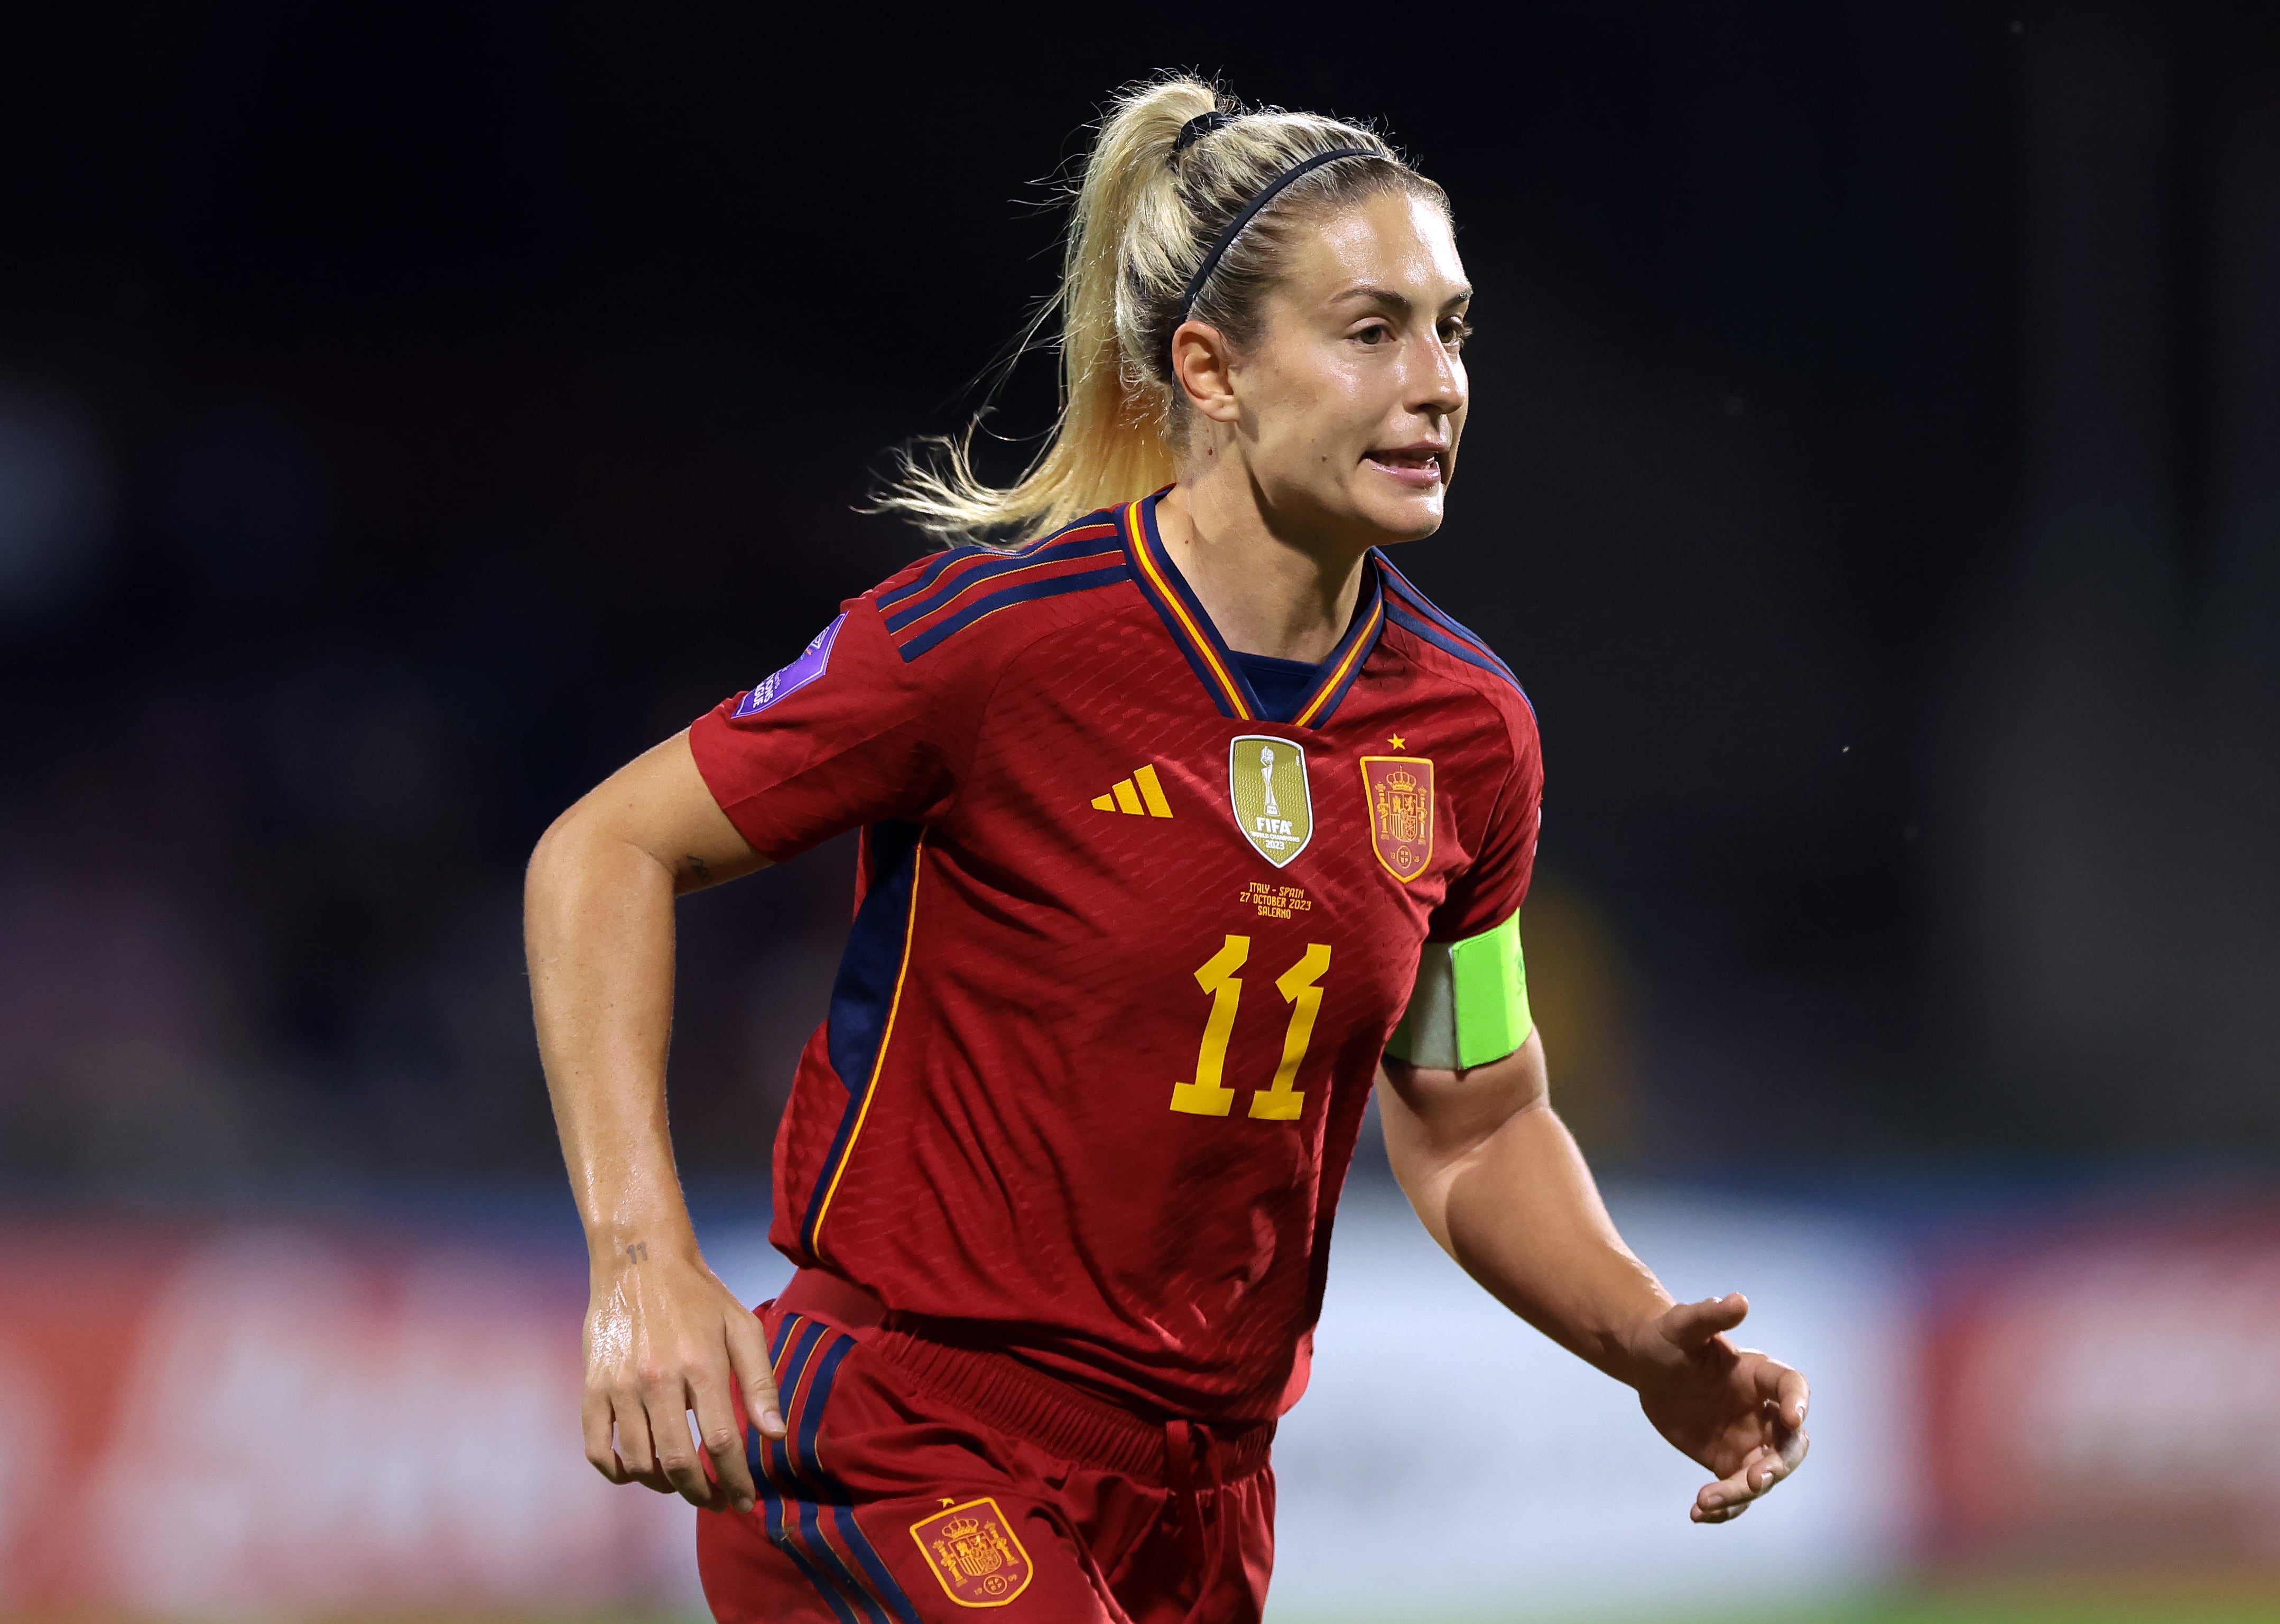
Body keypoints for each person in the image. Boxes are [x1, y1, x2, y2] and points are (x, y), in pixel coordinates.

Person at [525, 76, 1809, 1624]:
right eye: (1369, 329)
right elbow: (603, 851)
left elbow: (1472, 1121)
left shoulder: (1467, 735)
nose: (1435, 382)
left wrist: (1634, 1333)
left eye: (1452, 329)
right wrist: (639, 1253)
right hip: (902, 1443)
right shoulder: (993, 647)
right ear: (1211, 368)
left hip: (1200, 1505)